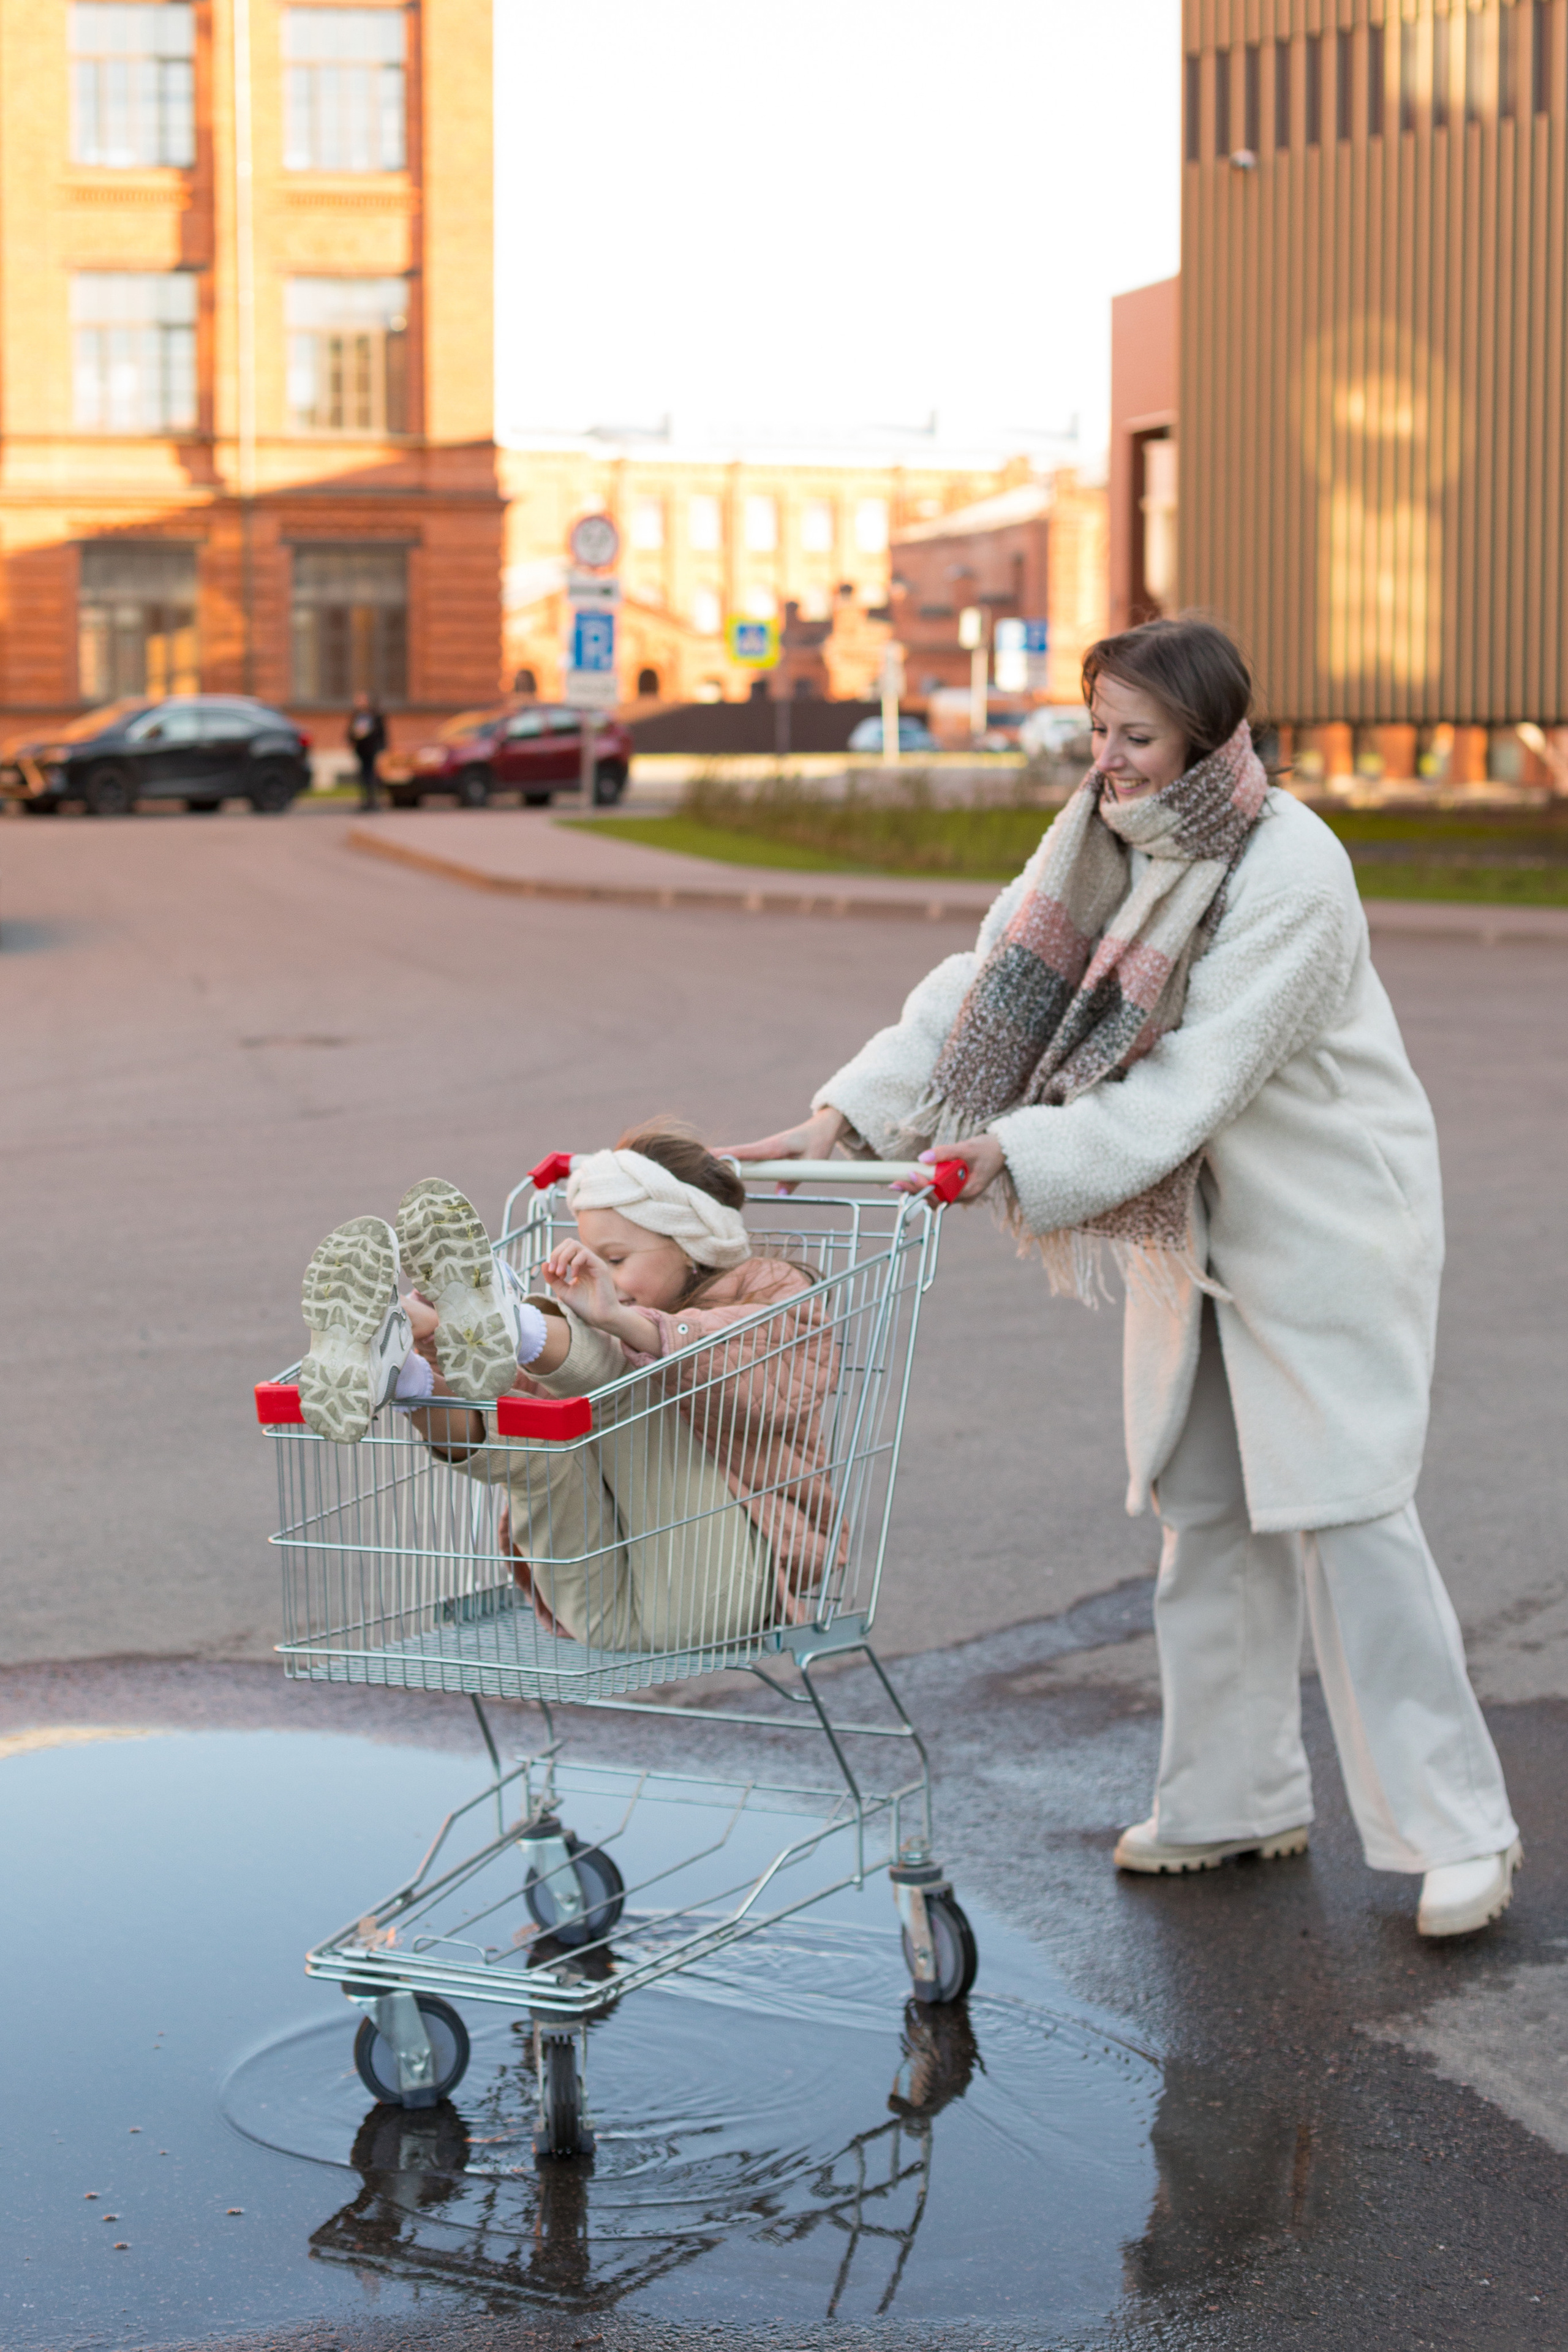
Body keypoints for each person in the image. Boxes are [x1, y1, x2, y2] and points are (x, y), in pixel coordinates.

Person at [728, 614, 1521, 1941]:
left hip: (1322, 1226)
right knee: (1202, 1509)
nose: (1105, 763)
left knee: (1346, 1516)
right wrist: (848, 1117)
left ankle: (1458, 1833)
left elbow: (1189, 1082)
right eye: (1095, 731)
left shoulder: (1292, 868)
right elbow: (987, 982)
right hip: (1189, 1233)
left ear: (1204, 738)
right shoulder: (1099, 841)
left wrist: (1008, 1152)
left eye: (1134, 738)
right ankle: (1231, 1800)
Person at [293, 1127, 837, 1653]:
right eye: (593, 1253)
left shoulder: (771, 1290)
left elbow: (760, 1377)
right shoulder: (596, 1321)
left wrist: (621, 1323)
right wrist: (431, 1335)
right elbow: (503, 1388)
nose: (602, 1272)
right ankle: (407, 1377)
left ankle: (517, 1326)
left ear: (692, 1246)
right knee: (534, 1441)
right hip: (596, 1615)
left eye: (618, 1259)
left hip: (715, 1588)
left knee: (623, 1387)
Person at [346, 690, 386, 811]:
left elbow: (382, 733)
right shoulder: (356, 715)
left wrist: (382, 748)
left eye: (361, 700)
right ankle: (364, 801)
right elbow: (351, 732)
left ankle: (372, 801)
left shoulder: (375, 715)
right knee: (362, 775)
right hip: (361, 749)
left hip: (371, 749)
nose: (359, 703)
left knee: (371, 775)